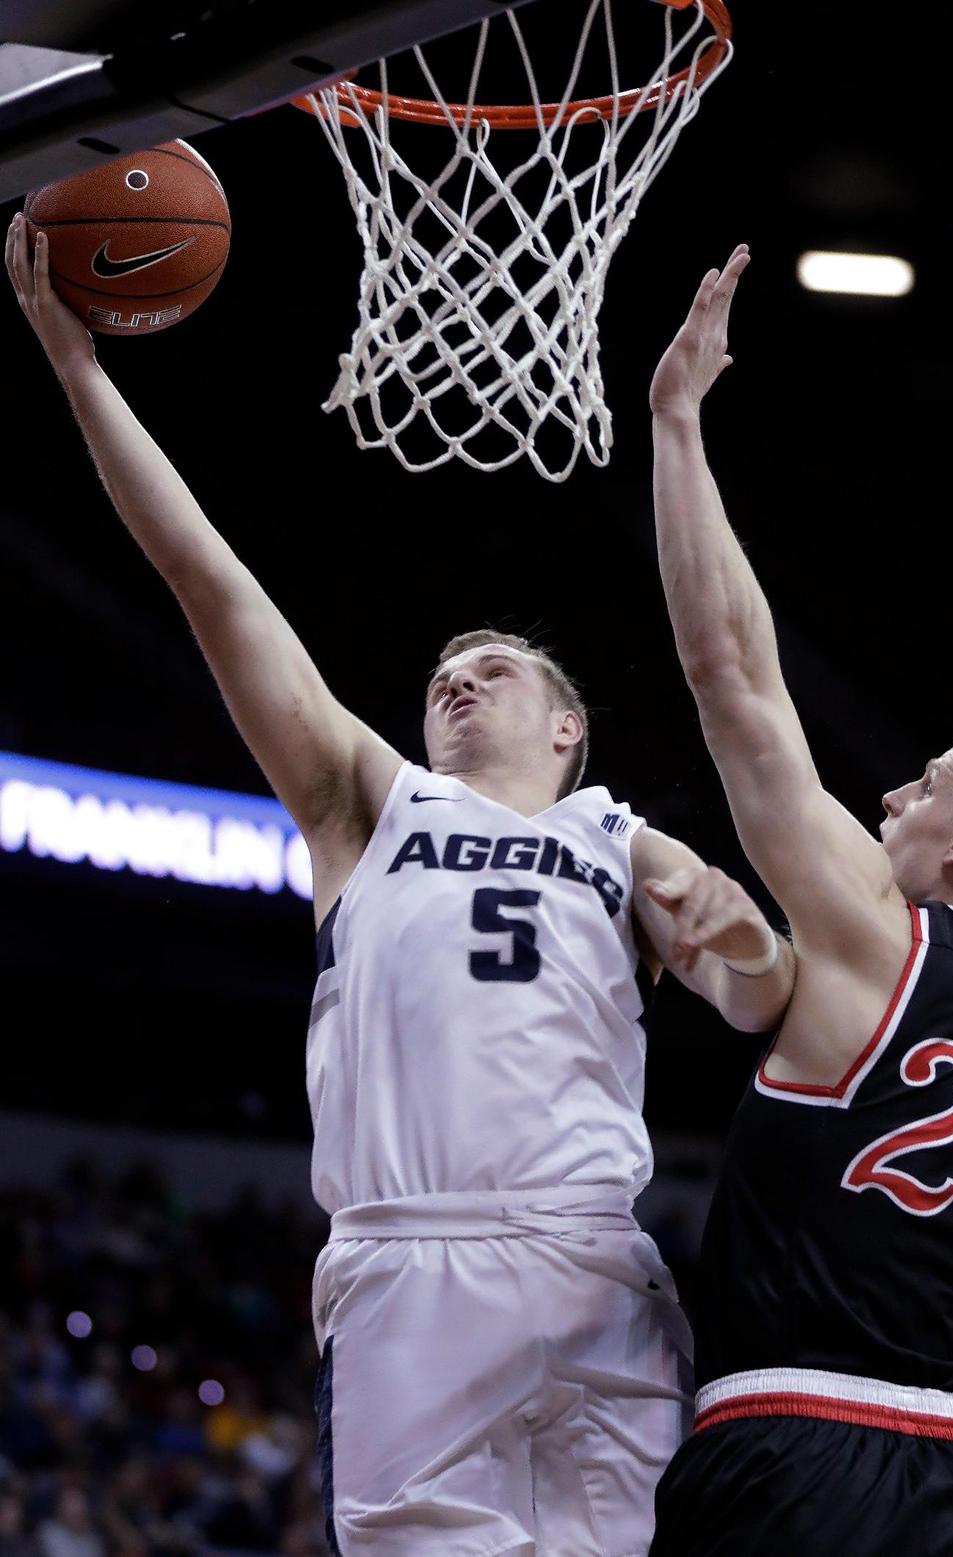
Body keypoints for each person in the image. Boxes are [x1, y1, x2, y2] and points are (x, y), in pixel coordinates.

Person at [6, 212, 796, 1557]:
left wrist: (747, 939)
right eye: (444, 670)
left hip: (588, 1253)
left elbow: (753, 996)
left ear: (568, 729)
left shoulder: (617, 833)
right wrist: (81, 370)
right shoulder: (368, 804)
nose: (458, 676)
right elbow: (213, 584)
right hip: (407, 1262)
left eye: (496, 667)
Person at [645, 244, 953, 1555]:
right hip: (951, 1476)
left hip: (788, 1449)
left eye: (921, 788)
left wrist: (677, 428)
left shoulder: (877, 937)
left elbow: (730, 675)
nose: (888, 804)